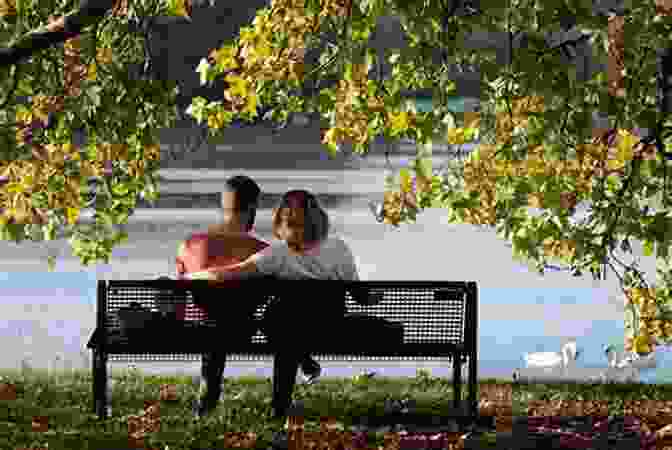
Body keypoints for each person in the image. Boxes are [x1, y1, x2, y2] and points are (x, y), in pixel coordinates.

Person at [202, 189, 360, 420]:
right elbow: (359, 295)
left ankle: (280, 409)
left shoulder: (277, 254)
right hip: (329, 329)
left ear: (280, 221)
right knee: (286, 328)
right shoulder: (339, 248)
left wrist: (194, 277)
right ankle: (302, 365)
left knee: (282, 327)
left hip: (285, 330)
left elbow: (229, 274)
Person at [174, 176, 321, 419]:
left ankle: (207, 397)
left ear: (223, 206)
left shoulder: (189, 245)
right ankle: (280, 405)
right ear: (252, 207)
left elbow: (179, 296)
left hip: (199, 331)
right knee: (285, 321)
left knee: (215, 323)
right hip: (244, 330)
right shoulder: (263, 252)